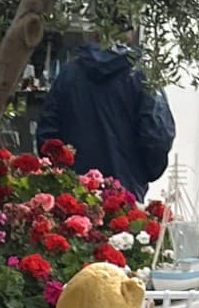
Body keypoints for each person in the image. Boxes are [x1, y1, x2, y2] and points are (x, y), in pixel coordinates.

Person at [36, 42, 175, 199]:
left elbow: (47, 135)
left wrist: (59, 175)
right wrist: (141, 174)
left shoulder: (68, 74)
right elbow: (157, 137)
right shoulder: (143, 76)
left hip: (73, 193)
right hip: (125, 193)